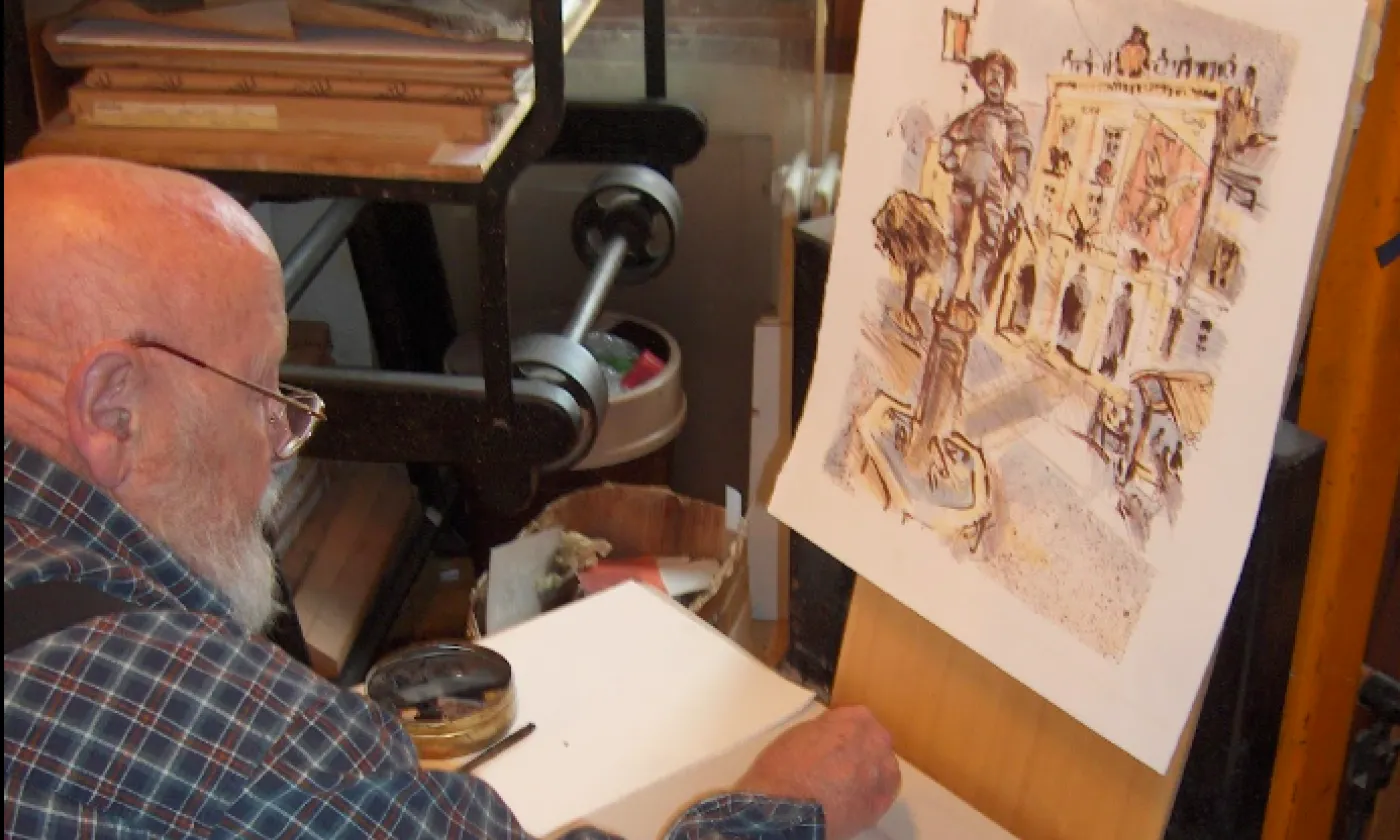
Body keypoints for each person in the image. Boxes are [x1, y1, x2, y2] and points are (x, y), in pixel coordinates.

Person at [3, 156, 901, 839]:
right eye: (262, 391)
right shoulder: (247, 753)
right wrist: (785, 805)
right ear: (110, 410)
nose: (283, 444)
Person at [936, 49, 1033, 312]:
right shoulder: (972, 115)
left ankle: (974, 292)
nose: (995, 81)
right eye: (990, 75)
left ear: (1007, 83)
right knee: (955, 243)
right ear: (982, 78)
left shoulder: (1013, 119)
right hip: (965, 181)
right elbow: (946, 139)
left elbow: (1022, 157)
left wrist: (1016, 191)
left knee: (989, 240)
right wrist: (952, 164)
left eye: (1000, 77)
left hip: (994, 187)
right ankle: (946, 296)